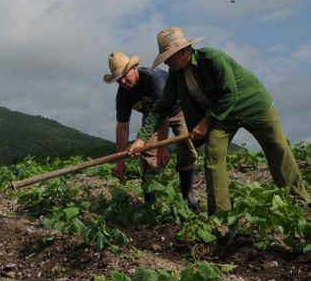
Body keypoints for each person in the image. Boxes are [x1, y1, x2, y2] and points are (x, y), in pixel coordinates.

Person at [127, 27, 309, 214]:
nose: (166, 63)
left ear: (185, 51)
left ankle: (299, 201)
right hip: (221, 115)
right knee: (213, 156)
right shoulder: (176, 75)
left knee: (277, 147)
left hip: (253, 105)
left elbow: (229, 94)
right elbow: (162, 107)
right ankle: (220, 214)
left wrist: (205, 123)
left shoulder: (212, 58)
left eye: (169, 57)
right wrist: (141, 139)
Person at [104, 51, 198, 207]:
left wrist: (163, 147)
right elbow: (122, 127)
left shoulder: (154, 79)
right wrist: (120, 162)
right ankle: (150, 199)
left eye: (125, 75)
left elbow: (163, 114)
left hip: (176, 110)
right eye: (118, 80)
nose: (123, 82)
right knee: (147, 154)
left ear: (135, 67)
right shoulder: (123, 94)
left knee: (186, 147)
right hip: (151, 117)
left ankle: (187, 193)